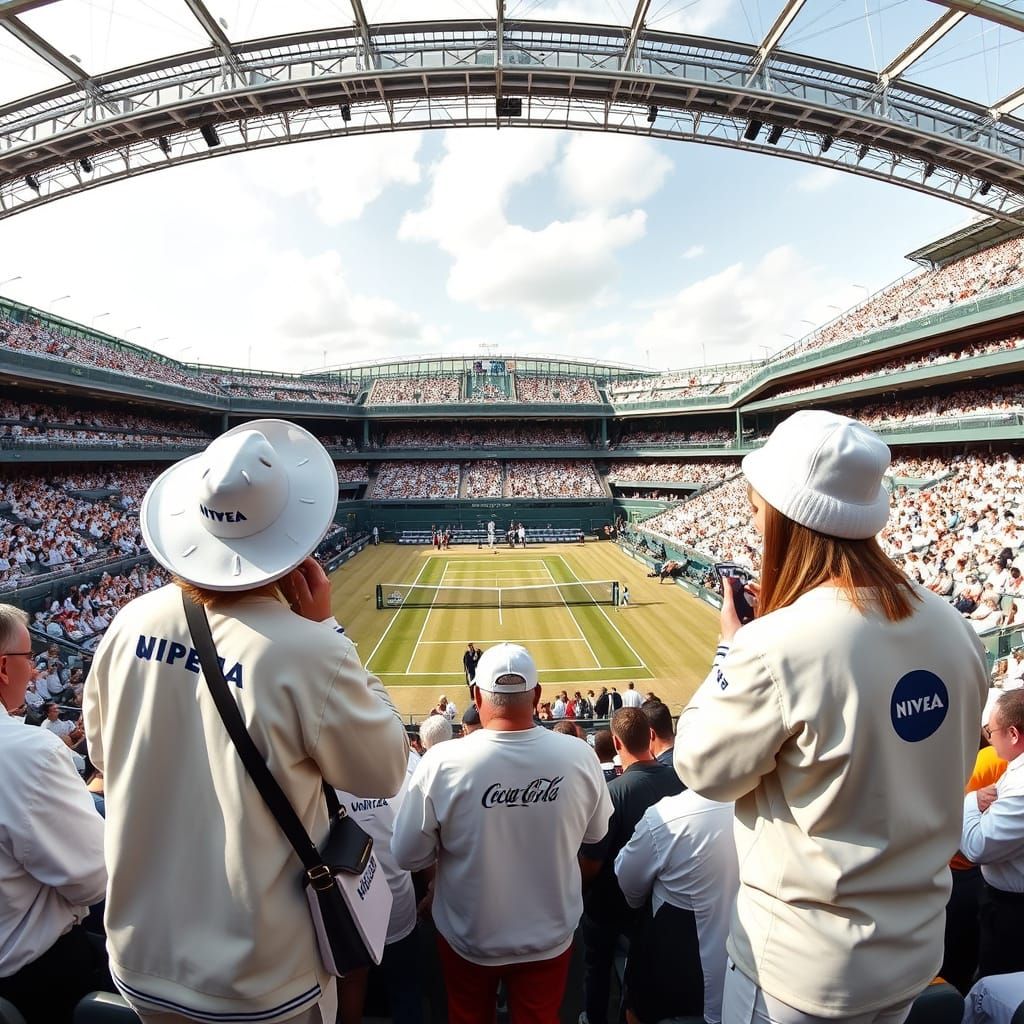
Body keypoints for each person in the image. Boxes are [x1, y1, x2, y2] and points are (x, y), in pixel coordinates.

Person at [84, 420, 409, 1024]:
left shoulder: (128, 621)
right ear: (293, 539)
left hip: (141, 961)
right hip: (264, 981)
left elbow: (104, 757)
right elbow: (385, 769)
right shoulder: (311, 651)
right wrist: (327, 630)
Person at [675, 410, 989, 1022]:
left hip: (800, 970)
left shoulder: (775, 645)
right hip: (913, 952)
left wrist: (732, 647)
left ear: (785, 516)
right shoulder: (956, 630)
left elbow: (702, 767)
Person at [392, 643, 612, 1024]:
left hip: (468, 935)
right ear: (537, 694)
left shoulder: (441, 761)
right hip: (549, 934)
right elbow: (595, 836)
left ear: (477, 696)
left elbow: (408, 854)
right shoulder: (580, 756)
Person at [0, 604, 110, 1023]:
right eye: (29, 659)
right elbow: (95, 880)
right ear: (4, 668)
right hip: (40, 979)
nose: (33, 671)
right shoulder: (29, 751)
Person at [579, 708, 684, 1024]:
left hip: (609, 907)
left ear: (616, 741)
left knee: (596, 966)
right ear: (650, 735)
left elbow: (592, 862)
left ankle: (594, 1017)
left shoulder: (613, 793)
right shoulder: (679, 781)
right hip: (658, 900)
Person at [614, 785, 738, 1024]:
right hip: (747, 959)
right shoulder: (763, 808)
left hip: (677, 960)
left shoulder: (665, 817)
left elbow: (629, 882)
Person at [961, 688, 1024, 979]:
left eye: (991, 730)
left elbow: (977, 846)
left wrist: (969, 802)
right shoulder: (1012, 769)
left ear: (1012, 734)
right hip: (1004, 903)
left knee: (999, 982)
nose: (988, 736)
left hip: (1013, 913)